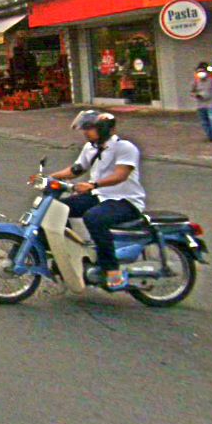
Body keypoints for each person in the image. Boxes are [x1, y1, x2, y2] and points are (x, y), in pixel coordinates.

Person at [48, 110, 145, 291]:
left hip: (125, 200)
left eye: (89, 128)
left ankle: (112, 271)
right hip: (99, 196)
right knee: (58, 208)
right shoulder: (90, 148)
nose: (85, 132)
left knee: (94, 218)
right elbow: (76, 169)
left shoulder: (125, 147)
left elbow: (121, 175)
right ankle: (67, 256)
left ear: (103, 129)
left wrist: (93, 184)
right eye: (84, 128)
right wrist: (50, 178)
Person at [191, 62, 212, 143]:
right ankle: (210, 137)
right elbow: (192, 92)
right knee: (204, 122)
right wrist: (196, 95)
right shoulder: (195, 83)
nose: (201, 73)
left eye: (202, 71)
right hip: (201, 105)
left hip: (211, 104)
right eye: (199, 72)